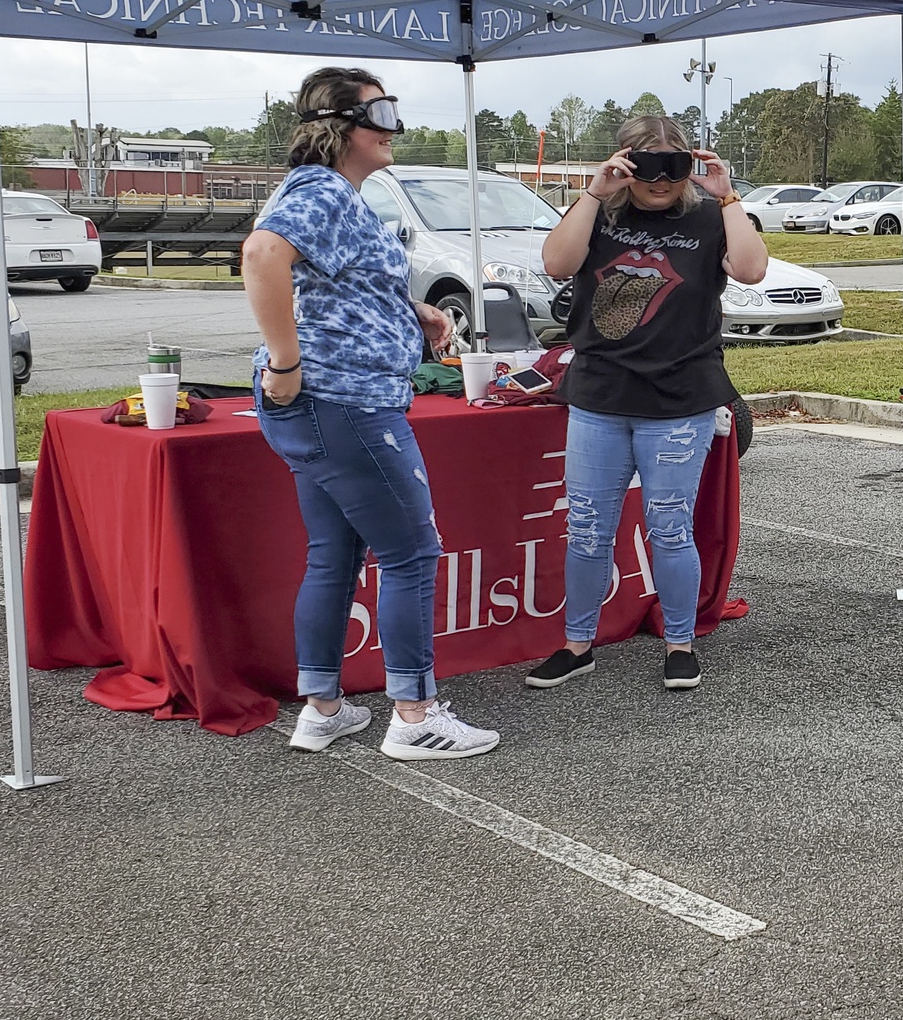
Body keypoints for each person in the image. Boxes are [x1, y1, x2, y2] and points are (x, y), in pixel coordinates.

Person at [242, 66, 500, 761]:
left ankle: (323, 708)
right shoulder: (321, 189)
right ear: (336, 126)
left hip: (334, 404)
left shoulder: (341, 197)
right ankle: (416, 716)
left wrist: (409, 311)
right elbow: (263, 255)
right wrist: (285, 361)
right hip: (345, 403)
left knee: (335, 553)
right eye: (379, 114)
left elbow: (333, 282)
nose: (394, 129)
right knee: (412, 552)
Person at [523, 115, 767, 692]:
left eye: (672, 166)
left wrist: (726, 194)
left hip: (680, 397)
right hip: (601, 394)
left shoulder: (709, 217)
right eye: (646, 166)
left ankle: (680, 643)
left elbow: (752, 270)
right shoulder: (602, 214)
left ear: (690, 164)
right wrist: (593, 191)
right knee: (586, 527)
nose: (660, 181)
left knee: (669, 527)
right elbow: (555, 264)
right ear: (625, 162)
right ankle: (577, 643)